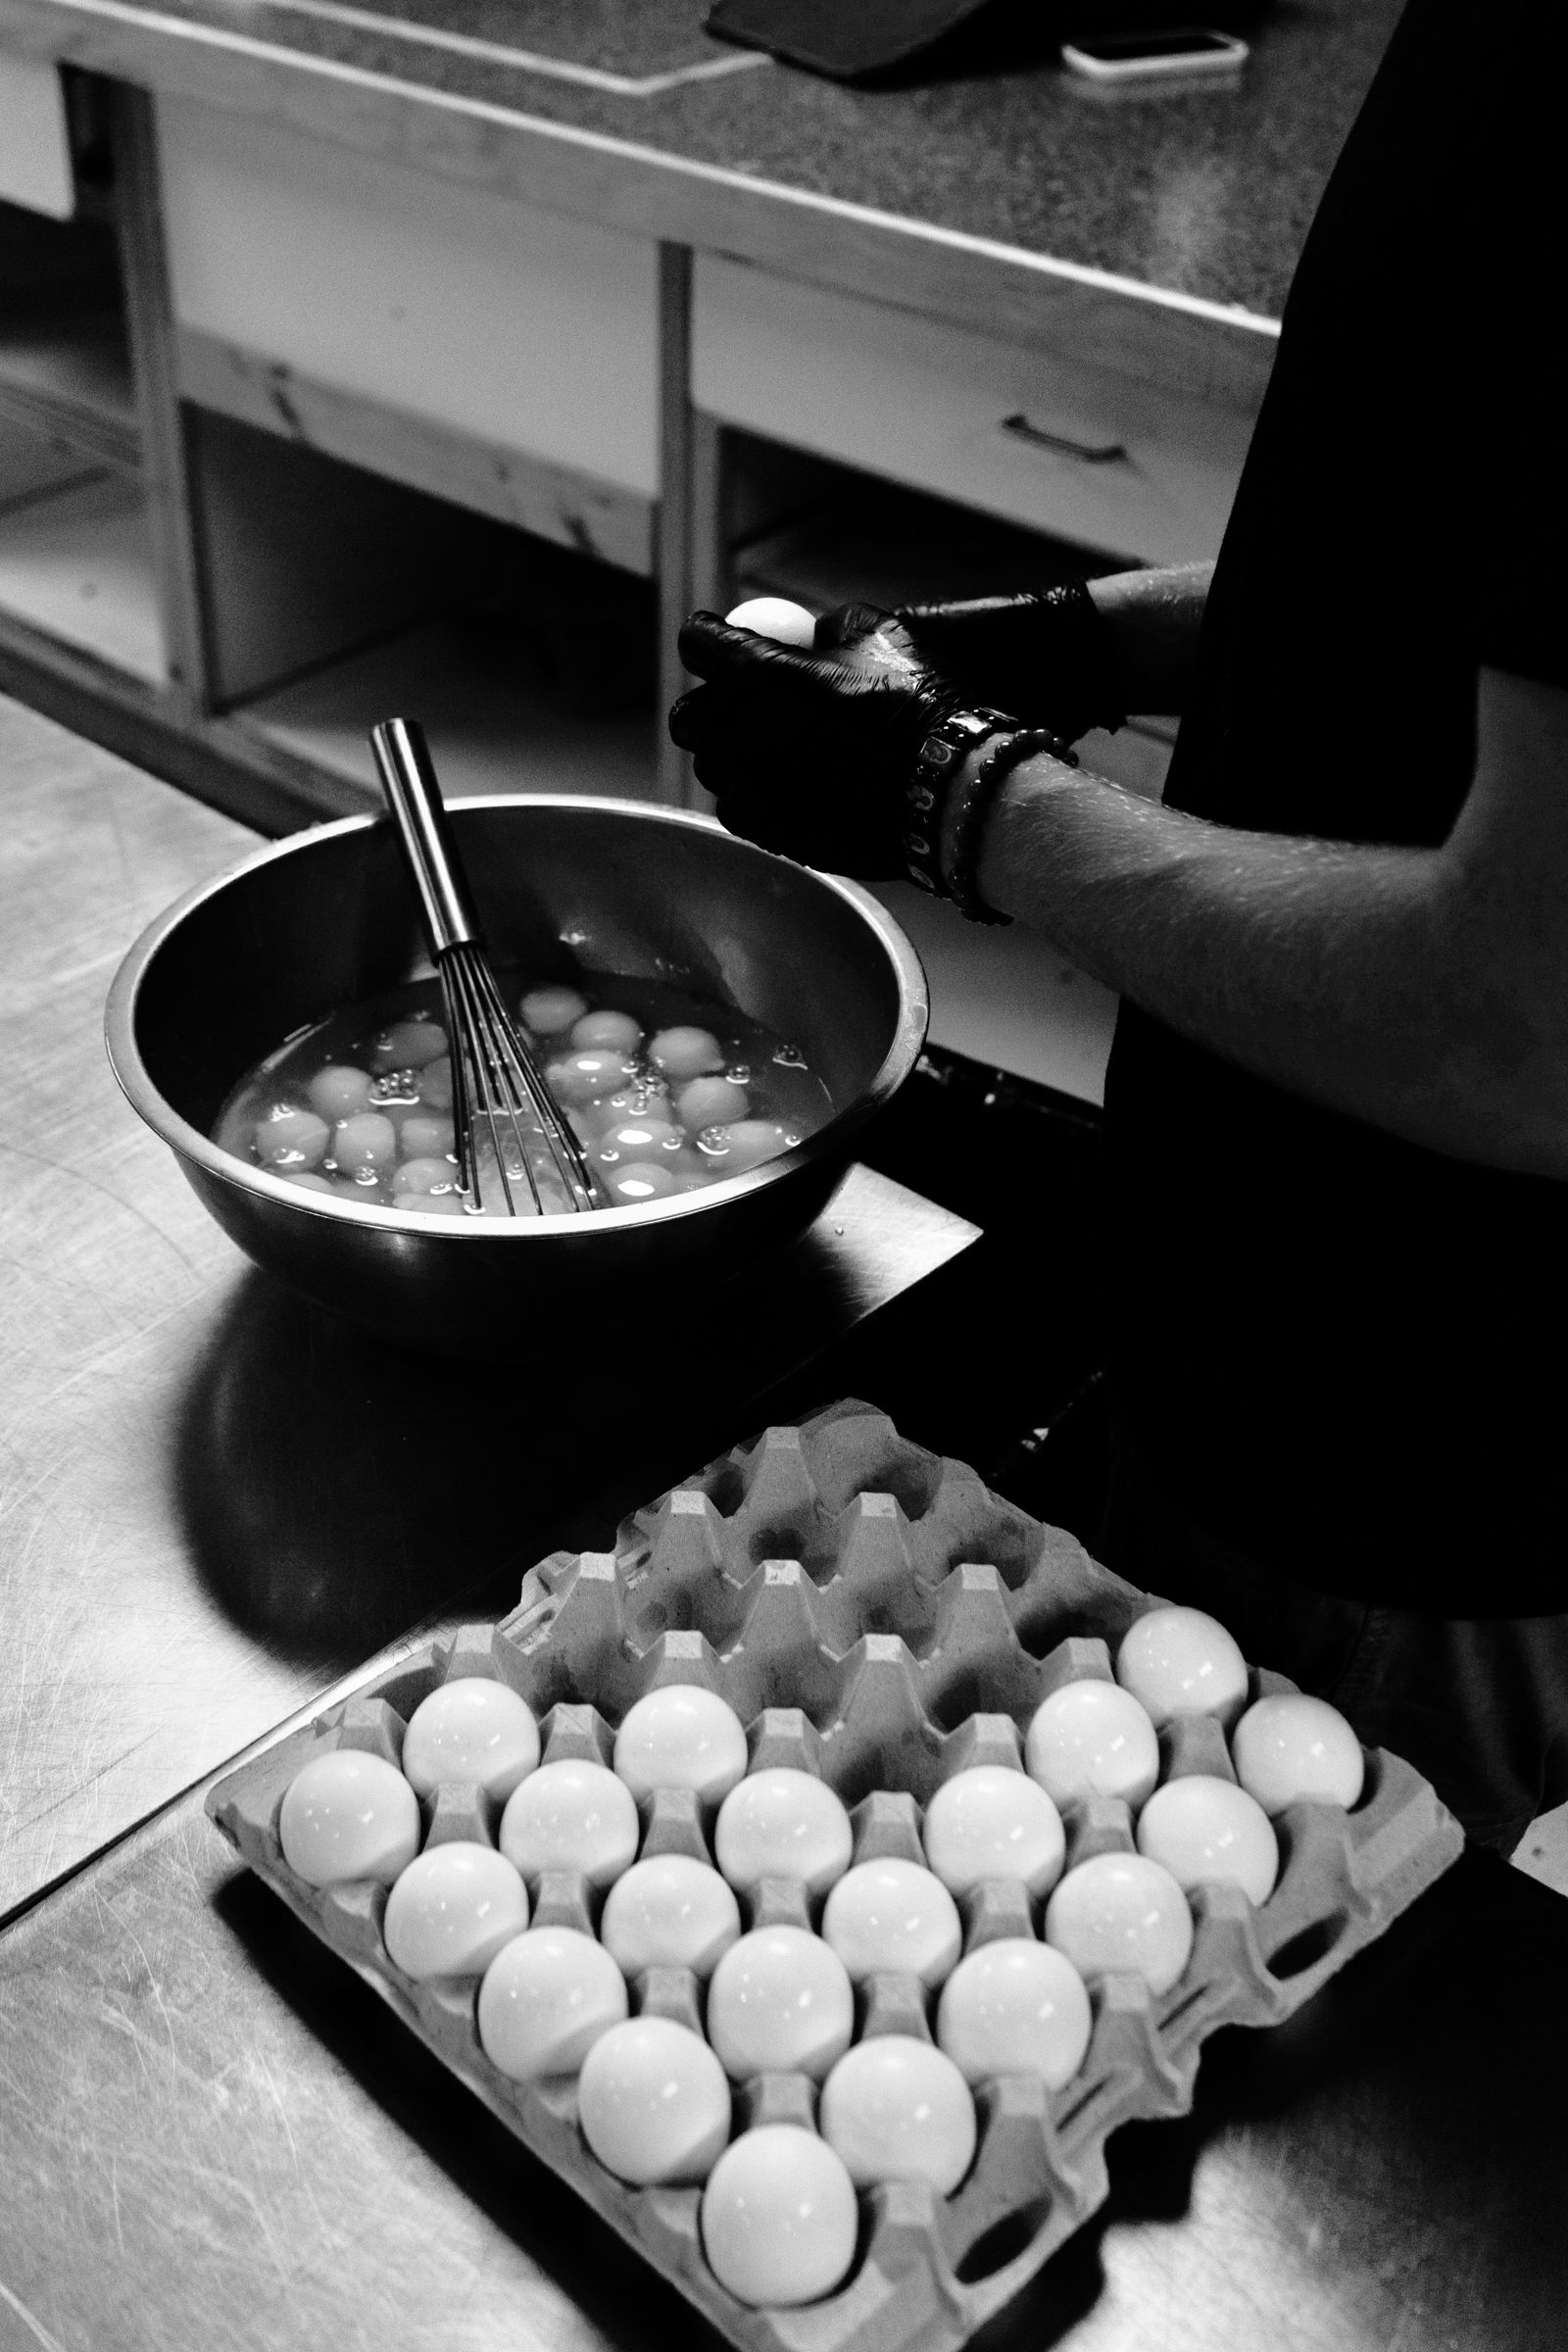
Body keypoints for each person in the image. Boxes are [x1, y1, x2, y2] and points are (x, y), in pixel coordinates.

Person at [667, 0, 1568, 1854]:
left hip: (1417, 1450)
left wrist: (954, 793)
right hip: (1258, 1312)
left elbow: (1527, 1018)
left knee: (1256, 1993)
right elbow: (1423, 555)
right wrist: (1072, 641)